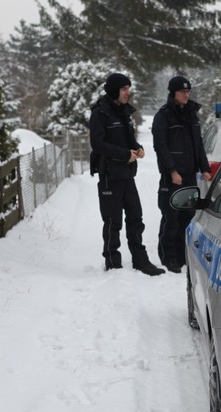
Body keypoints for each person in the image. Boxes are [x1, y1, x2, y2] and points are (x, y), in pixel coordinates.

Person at [89, 73, 165, 276]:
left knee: (135, 218)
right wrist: (124, 155)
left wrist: (138, 148)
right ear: (114, 90)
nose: (127, 93)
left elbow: (128, 138)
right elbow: (97, 144)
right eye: (124, 89)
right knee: (113, 222)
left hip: (127, 175)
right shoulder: (100, 113)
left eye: (128, 89)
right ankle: (113, 264)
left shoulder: (124, 112)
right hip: (109, 175)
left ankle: (141, 261)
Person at [151, 76, 212, 273]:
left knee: (187, 217)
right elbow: (161, 146)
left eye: (188, 91)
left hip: (190, 175)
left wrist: (204, 167)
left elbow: (198, 144)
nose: (186, 94)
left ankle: (182, 255)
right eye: (182, 92)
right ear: (173, 93)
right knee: (171, 218)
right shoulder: (163, 116)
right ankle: (169, 258)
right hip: (173, 177)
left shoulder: (192, 114)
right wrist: (171, 171)